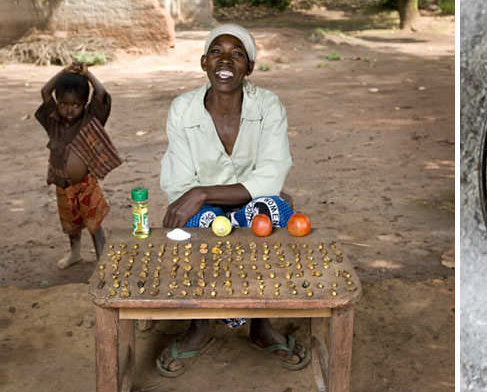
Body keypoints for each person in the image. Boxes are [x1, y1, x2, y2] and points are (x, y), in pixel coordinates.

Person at [156, 23, 308, 377]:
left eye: (237, 54)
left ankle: (259, 323)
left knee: (272, 216)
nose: (225, 60)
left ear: (249, 67)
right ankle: (201, 324)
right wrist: (198, 198)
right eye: (216, 52)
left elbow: (272, 175)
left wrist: (204, 191)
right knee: (193, 227)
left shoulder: (268, 106)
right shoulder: (183, 109)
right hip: (200, 208)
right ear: (203, 62)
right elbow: (179, 181)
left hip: (247, 201)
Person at [35, 61, 122, 269]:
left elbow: (101, 94)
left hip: (85, 185)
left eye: (76, 105)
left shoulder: (90, 120)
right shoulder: (53, 121)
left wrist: (88, 73)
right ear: (57, 103)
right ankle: (75, 253)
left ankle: (102, 258)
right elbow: (45, 92)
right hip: (62, 185)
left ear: (84, 104)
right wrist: (63, 72)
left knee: (94, 224)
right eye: (64, 104)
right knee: (71, 225)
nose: (69, 109)